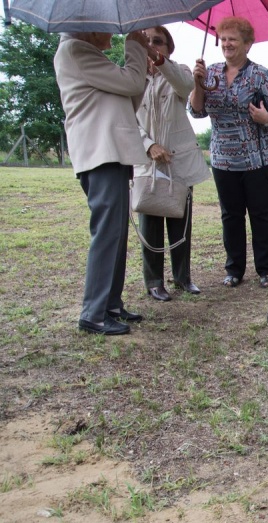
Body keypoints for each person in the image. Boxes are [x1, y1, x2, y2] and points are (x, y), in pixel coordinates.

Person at [54, 30, 158, 335]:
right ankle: (94, 313)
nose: (112, 33)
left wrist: (141, 67)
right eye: (106, 28)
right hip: (101, 154)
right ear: (88, 26)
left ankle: (110, 305)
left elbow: (128, 96)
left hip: (110, 153)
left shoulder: (86, 54)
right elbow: (130, 83)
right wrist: (135, 46)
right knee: (107, 233)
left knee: (115, 233)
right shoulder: (75, 50)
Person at [190, 16, 268, 289]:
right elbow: (196, 111)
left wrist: (267, 118)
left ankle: (266, 270)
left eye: (233, 39)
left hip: (258, 159)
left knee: (261, 214)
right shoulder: (210, 73)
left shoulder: (260, 75)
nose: (227, 44)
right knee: (230, 216)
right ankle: (234, 269)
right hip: (223, 159)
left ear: (247, 44)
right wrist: (197, 82)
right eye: (223, 39)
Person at [135, 26, 210, 302]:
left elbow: (186, 87)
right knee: (150, 222)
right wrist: (149, 145)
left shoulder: (178, 72)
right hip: (147, 163)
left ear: (168, 47)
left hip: (179, 161)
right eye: (146, 41)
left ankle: (183, 278)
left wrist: (160, 62)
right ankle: (154, 281)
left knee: (181, 224)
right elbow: (127, 118)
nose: (151, 45)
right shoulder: (131, 77)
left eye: (158, 41)